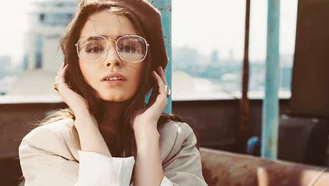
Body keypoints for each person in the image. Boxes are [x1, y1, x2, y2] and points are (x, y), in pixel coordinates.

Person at [18, 0, 207, 185]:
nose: (112, 59)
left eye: (129, 47)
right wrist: (84, 118)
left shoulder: (176, 139)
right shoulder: (46, 144)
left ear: (150, 65)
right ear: (75, 65)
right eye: (94, 48)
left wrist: (146, 134)